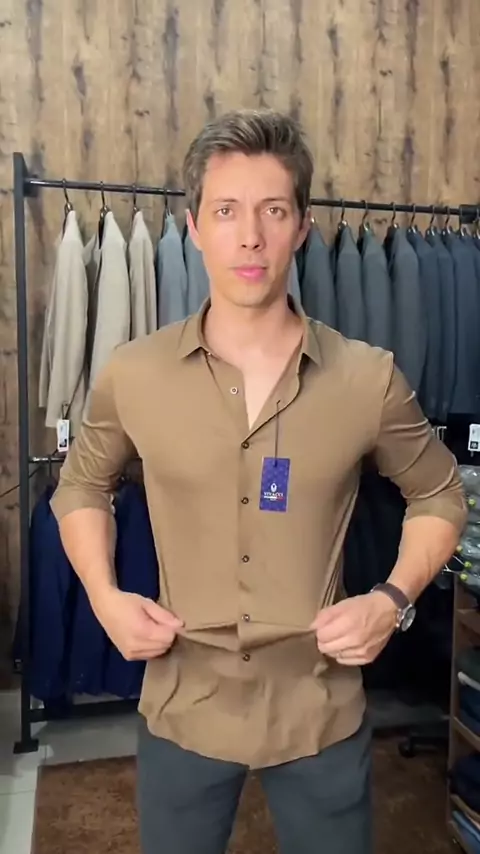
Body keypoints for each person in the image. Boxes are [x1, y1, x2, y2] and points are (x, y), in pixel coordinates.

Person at [50, 108, 467, 854]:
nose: (250, 236)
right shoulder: (134, 374)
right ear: (194, 226)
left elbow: (439, 492)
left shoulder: (366, 378)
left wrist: (393, 599)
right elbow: (81, 485)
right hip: (183, 706)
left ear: (301, 226)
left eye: (273, 211)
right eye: (226, 211)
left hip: (318, 709)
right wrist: (106, 598)